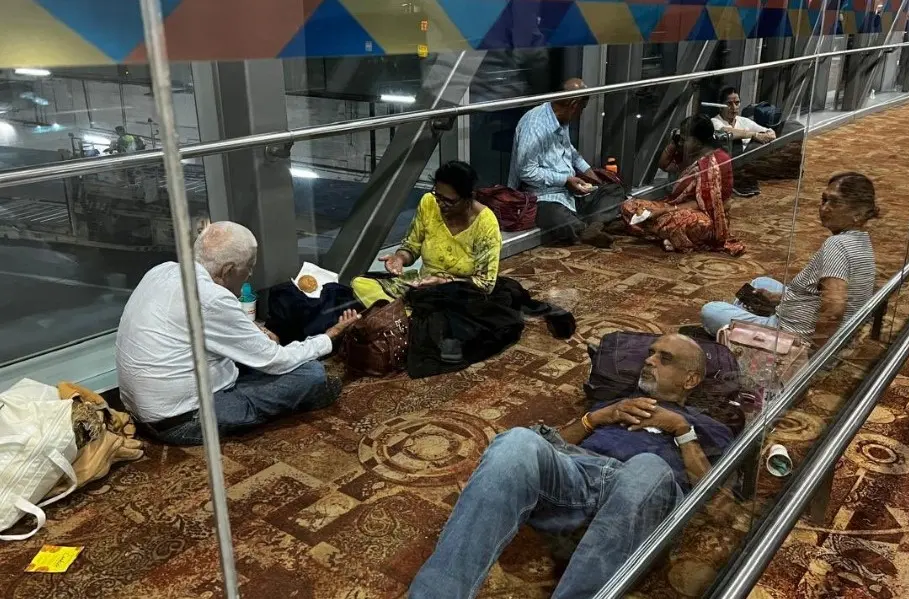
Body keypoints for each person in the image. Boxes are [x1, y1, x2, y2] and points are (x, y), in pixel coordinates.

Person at [408, 334, 734, 599]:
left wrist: (680, 429)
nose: (649, 360)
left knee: (647, 465)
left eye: (665, 358)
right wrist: (597, 417)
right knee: (517, 441)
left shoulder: (702, 425)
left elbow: (716, 498)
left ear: (690, 379)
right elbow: (555, 444)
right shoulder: (616, 402)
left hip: (644, 488)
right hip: (579, 475)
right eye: (650, 353)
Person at [116, 221, 360, 445]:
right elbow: (276, 361)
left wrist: (252, 330)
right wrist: (329, 336)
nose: (250, 274)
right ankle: (309, 395)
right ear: (228, 269)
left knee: (257, 360)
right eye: (249, 267)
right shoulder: (211, 298)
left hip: (143, 409)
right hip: (181, 421)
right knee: (311, 374)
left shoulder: (163, 271)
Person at [700, 172, 878, 346]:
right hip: (830, 327)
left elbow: (834, 309)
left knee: (711, 311)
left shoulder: (836, 245)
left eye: (835, 202)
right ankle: (747, 323)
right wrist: (778, 298)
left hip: (793, 333)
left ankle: (743, 337)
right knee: (762, 283)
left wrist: (815, 351)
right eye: (824, 200)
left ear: (858, 213)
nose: (824, 208)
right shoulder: (861, 240)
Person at [352, 161, 502, 307]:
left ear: (468, 197)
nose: (441, 204)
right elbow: (412, 246)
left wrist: (443, 282)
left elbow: (485, 284)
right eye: (438, 196)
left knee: (442, 317)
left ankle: (403, 313)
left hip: (458, 295)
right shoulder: (429, 202)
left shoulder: (485, 223)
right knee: (360, 284)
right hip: (423, 287)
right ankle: (404, 312)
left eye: (449, 201)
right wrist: (399, 258)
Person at [510, 78, 614, 248]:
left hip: (571, 192)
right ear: (574, 105)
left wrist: (593, 178)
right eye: (582, 109)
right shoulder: (535, 125)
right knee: (555, 215)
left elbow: (571, 153)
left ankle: (591, 226)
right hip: (542, 196)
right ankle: (587, 227)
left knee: (613, 191)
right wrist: (565, 180)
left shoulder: (561, 119)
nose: (580, 115)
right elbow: (526, 172)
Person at [619, 114, 743, 255]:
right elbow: (664, 164)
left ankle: (662, 232)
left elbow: (705, 202)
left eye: (685, 138)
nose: (681, 142)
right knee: (628, 205)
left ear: (697, 141)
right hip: (674, 206)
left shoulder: (718, 160)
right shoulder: (689, 153)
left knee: (686, 222)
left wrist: (664, 211)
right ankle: (665, 234)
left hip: (707, 215)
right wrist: (674, 141)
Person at [712, 87, 776, 197]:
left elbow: (771, 133)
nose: (734, 107)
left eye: (737, 103)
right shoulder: (715, 121)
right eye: (729, 104)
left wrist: (765, 135)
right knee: (734, 140)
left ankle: (746, 178)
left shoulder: (744, 121)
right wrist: (753, 134)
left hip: (746, 164)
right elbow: (727, 131)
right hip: (726, 165)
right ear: (720, 106)